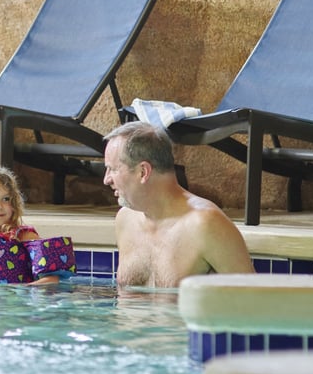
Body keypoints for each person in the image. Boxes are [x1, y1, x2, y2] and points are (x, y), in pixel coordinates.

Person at [103, 122, 254, 288]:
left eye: (113, 169)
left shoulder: (206, 224)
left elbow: (253, 301)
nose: (106, 179)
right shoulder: (125, 220)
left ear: (143, 172)